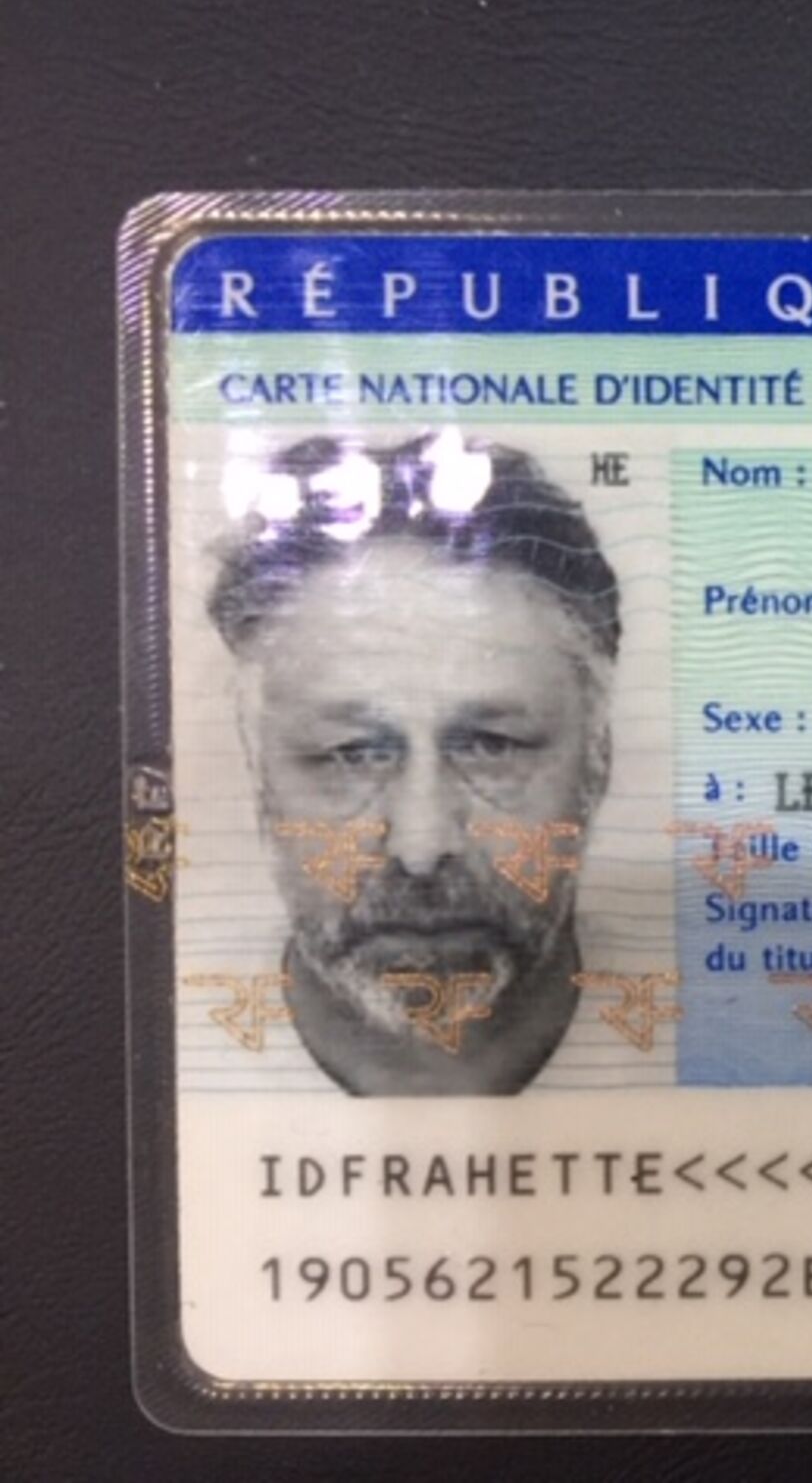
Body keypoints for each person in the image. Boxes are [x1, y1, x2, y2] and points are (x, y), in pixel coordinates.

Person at [208, 430, 620, 1094]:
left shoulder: (730, 1029)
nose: (421, 847)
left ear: (598, 764)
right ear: (259, 775)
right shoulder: (149, 1048)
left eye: (491, 746)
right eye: (351, 753)